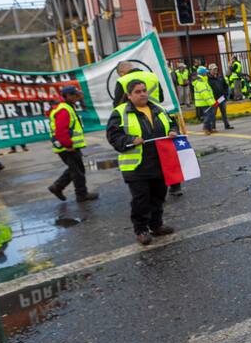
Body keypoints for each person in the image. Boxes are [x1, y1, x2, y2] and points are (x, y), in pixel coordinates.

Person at [106, 79, 178, 245]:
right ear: (129, 95)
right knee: (141, 200)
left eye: (144, 90)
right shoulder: (120, 112)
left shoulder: (158, 108)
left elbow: (172, 123)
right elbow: (113, 136)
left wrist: (174, 131)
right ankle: (141, 230)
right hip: (137, 166)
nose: (143, 94)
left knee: (159, 196)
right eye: (138, 91)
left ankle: (156, 225)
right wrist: (130, 140)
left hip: (160, 162)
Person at [47, 85, 98, 202]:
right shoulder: (64, 109)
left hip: (67, 146)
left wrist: (79, 97)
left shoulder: (66, 106)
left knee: (76, 169)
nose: (76, 97)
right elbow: (61, 131)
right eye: (74, 95)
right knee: (78, 171)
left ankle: (57, 187)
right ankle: (81, 195)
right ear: (68, 96)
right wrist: (68, 145)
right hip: (67, 147)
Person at [206, 64, 234, 132]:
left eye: (216, 69)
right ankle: (213, 127)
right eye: (213, 69)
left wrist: (225, 94)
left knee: (224, 112)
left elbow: (225, 86)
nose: (215, 70)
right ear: (210, 70)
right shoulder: (208, 79)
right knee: (213, 113)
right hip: (214, 99)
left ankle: (227, 125)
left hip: (221, 98)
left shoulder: (220, 76)